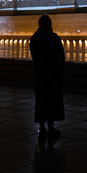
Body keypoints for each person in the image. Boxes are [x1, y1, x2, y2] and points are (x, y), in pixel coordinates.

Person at [29, 14, 65, 143]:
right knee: (51, 101)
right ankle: (50, 127)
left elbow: (35, 57)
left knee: (41, 101)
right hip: (52, 75)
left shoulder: (34, 38)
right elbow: (62, 56)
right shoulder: (54, 38)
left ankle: (41, 127)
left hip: (40, 75)